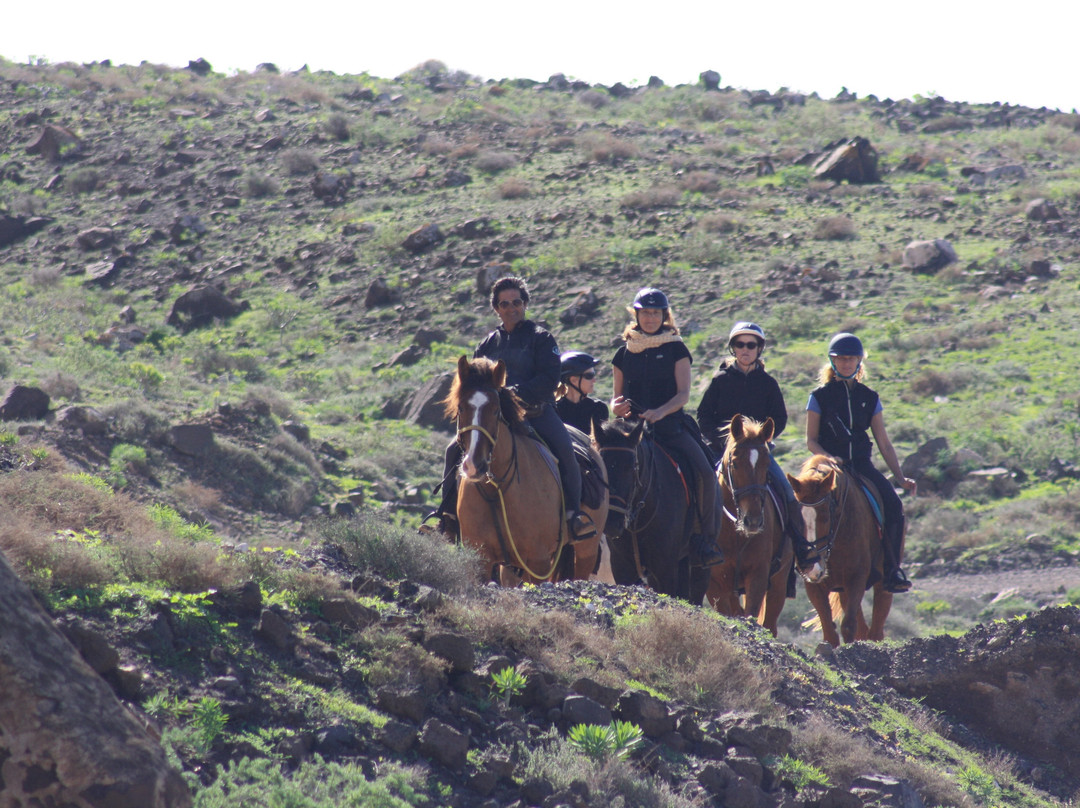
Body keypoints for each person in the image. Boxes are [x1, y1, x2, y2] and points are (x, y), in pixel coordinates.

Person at [425, 276, 596, 542]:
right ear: (496, 308)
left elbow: (550, 379)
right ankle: (447, 518)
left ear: (525, 303)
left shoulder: (541, 338)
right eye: (504, 304)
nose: (511, 307)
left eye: (516, 302)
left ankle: (573, 516)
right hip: (495, 417)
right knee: (452, 451)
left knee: (566, 452)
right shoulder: (487, 344)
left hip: (536, 413)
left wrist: (514, 394)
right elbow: (476, 380)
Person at [697, 322, 824, 582]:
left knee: (788, 493)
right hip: (723, 453)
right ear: (733, 349)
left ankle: (802, 552)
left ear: (759, 349)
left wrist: (761, 441)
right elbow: (703, 416)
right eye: (739, 345)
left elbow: (779, 417)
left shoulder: (768, 383)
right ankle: (693, 549)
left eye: (750, 345)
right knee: (699, 491)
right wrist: (724, 444)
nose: (745, 349)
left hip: (757, 455)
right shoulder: (719, 381)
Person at [610, 287, 724, 567]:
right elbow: (615, 396)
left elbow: (683, 395)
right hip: (632, 428)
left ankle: (705, 539)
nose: (650, 318)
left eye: (656, 313)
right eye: (645, 312)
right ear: (636, 314)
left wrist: (659, 412)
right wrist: (616, 407)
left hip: (670, 425)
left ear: (665, 315)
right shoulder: (623, 352)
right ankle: (602, 530)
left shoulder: (676, 348)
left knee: (705, 472)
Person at [805, 332, 916, 593]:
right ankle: (801, 562)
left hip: (862, 465)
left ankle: (891, 568)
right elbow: (811, 440)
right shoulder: (818, 396)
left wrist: (900, 477)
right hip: (829, 468)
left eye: (851, 358)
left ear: (859, 362)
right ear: (832, 361)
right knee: (803, 505)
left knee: (894, 506)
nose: (845, 363)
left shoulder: (869, 396)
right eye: (840, 358)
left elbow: (884, 443)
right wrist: (829, 459)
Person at [555, 351, 609, 436]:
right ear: (573, 380)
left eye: (593, 374)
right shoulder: (554, 409)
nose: (594, 380)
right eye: (589, 376)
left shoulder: (599, 408)